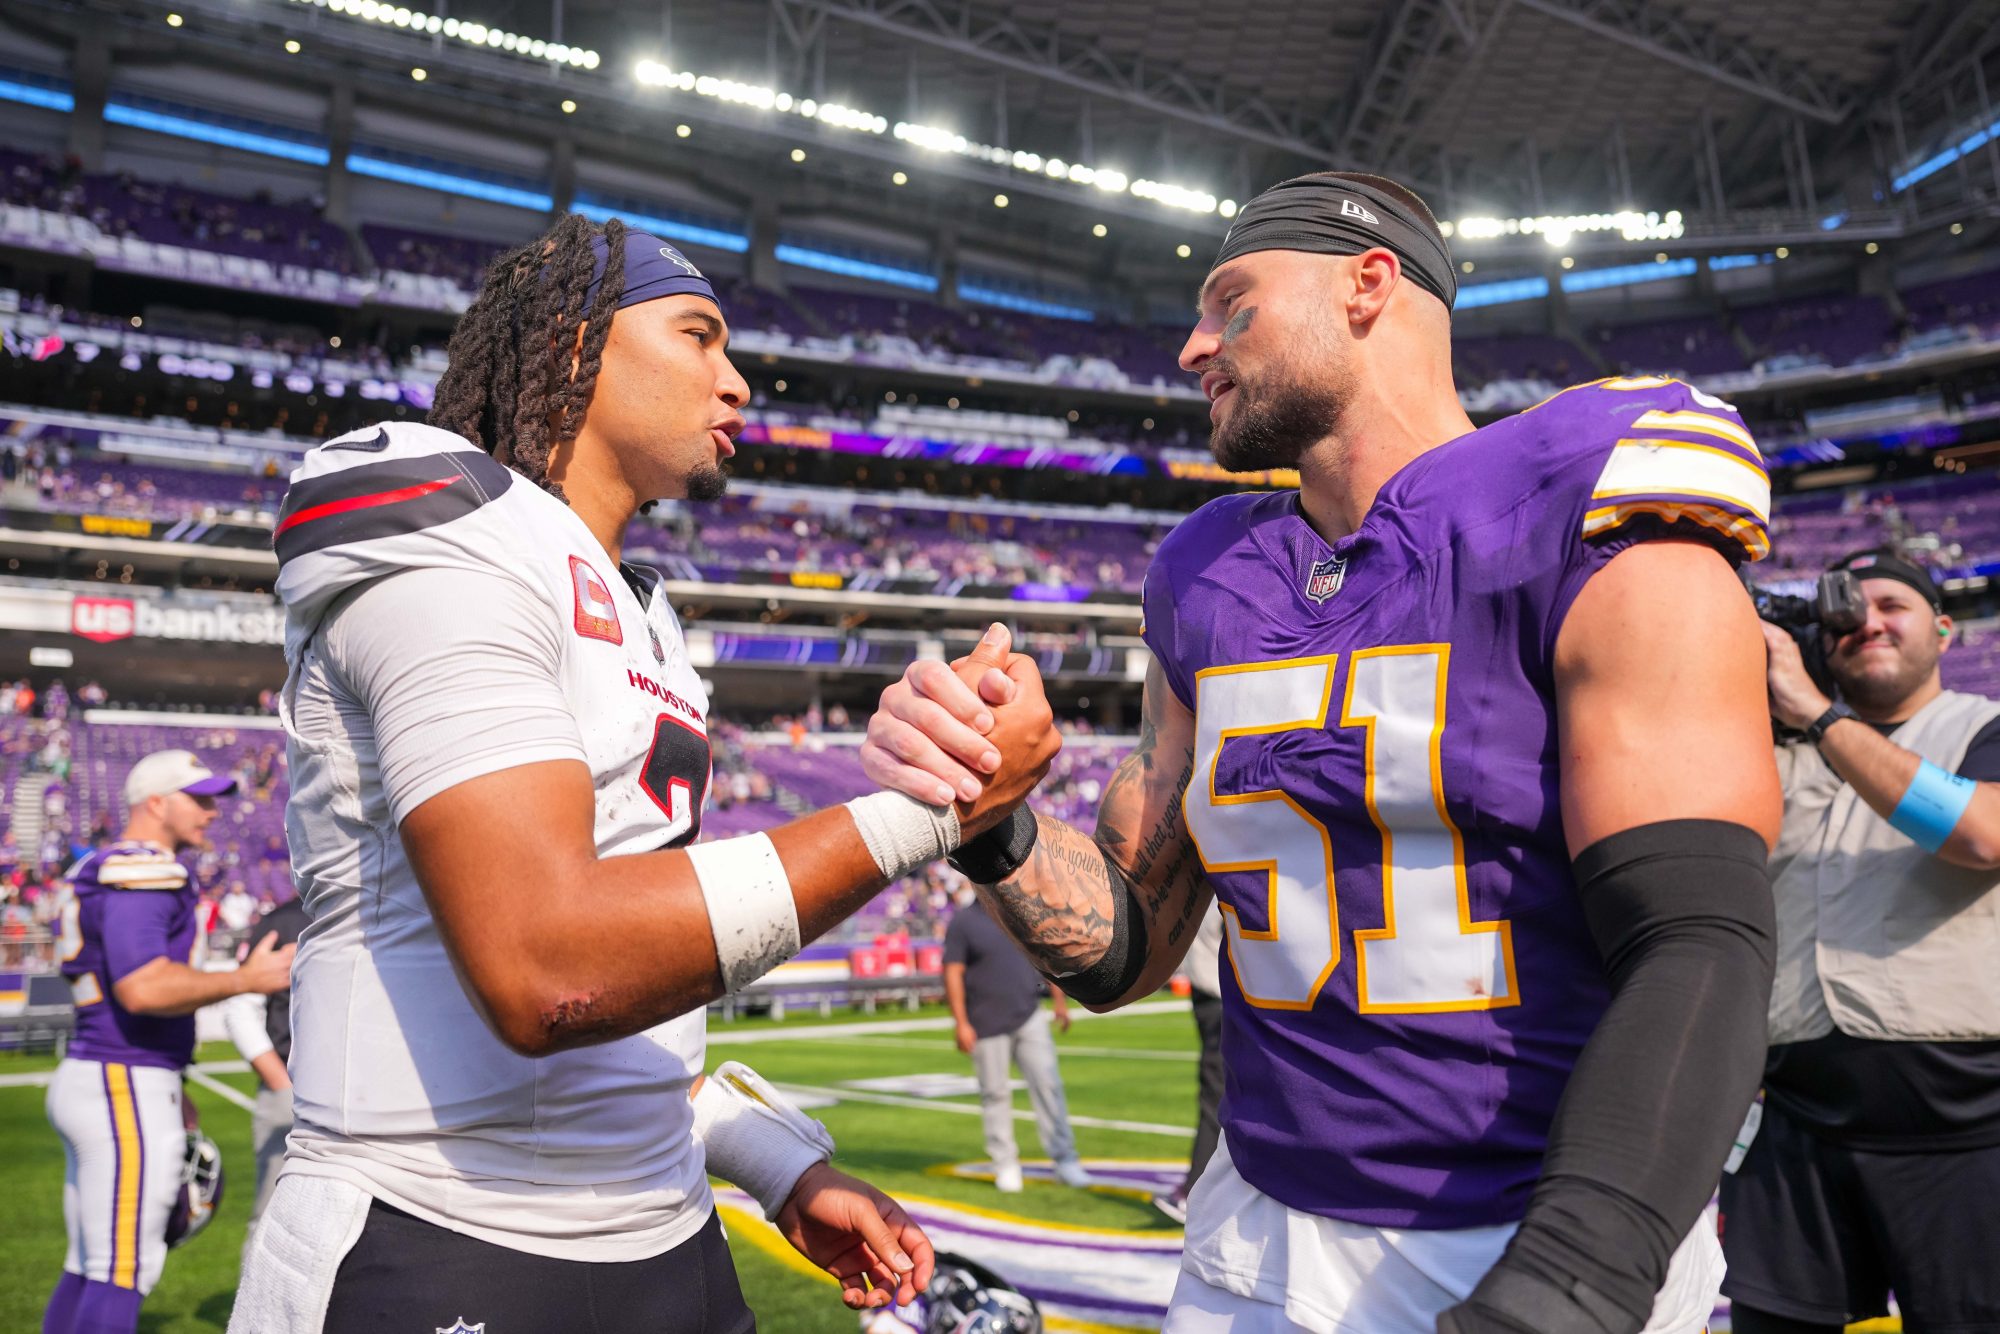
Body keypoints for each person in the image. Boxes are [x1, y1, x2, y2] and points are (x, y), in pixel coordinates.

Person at [861, 171, 1784, 1334]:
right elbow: (1124, 951)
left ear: (1367, 283)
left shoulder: (1587, 489)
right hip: (1255, 1225)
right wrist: (992, 818)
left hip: (1531, 1227)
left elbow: (1699, 941)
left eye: (1229, 302)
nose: (1193, 345)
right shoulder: (1203, 570)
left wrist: (1570, 1284)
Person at [229, 215, 1058, 1334]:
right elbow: (547, 963)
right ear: (574, 348)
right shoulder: (454, 521)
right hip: (433, 1234)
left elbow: (629, 994)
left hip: (666, 1236)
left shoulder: (644, 614)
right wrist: (928, 811)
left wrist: (770, 1158)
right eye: (699, 335)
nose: (738, 379)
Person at [1724, 548, 2000, 1334]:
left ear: (1945, 631)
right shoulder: (1772, 750)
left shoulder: (1983, 727)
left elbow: (1983, 836)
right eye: (1844, 615)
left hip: (1964, 1116)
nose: (1865, 623)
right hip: (1793, 1114)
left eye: (1892, 606)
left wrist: (1817, 711)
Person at [43, 749, 295, 1334]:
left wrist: (174, 1080)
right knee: (124, 1267)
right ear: (156, 803)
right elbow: (142, 988)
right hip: (122, 1078)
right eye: (199, 799)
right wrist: (245, 980)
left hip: (104, 1072)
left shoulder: (99, 866)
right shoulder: (149, 870)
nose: (212, 812)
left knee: (89, 1264)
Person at [942, 885, 1090, 1193]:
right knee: (995, 1095)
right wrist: (961, 1023)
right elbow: (952, 972)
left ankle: (1065, 1160)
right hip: (985, 1025)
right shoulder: (963, 923)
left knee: (1049, 1087)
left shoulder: (1018, 916)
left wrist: (1059, 1002)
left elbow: (1045, 957)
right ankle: (1005, 1164)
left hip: (1029, 1015)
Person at [219, 893, 308, 1260]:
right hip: (295, 1085)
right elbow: (241, 1009)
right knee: (273, 1213)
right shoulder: (283, 922)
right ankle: (256, 1316)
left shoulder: (382, 905)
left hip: (367, 1092)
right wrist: (281, 1083)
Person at [1153, 901, 1224, 1225]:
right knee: (1220, 1093)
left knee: (1215, 1097)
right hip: (1221, 999)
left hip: (1219, 999)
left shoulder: (1205, 891)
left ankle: (1196, 1192)